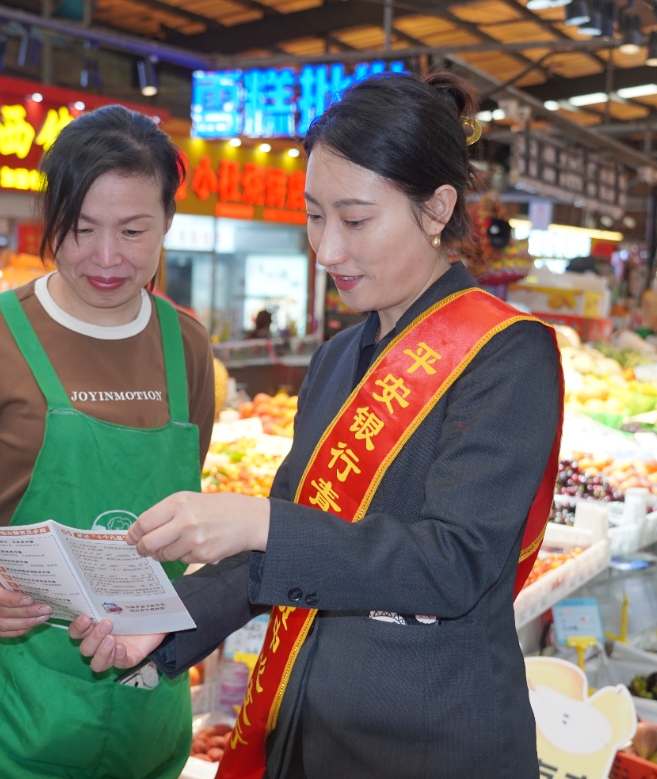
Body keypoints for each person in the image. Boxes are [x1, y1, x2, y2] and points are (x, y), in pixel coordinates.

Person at [70, 72, 563, 778]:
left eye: (355, 219)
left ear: (436, 209)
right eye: (313, 216)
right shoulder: (336, 360)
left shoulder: (506, 354)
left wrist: (261, 522)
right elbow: (292, 540)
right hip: (310, 727)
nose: (326, 250)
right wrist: (164, 616)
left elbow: (451, 563)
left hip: (430, 745)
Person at [0, 105, 216, 779]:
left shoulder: (185, 345)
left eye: (134, 231)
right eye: (82, 230)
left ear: (167, 222)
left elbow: (181, 501)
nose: (107, 257)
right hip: (5, 709)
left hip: (142, 704)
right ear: (52, 220)